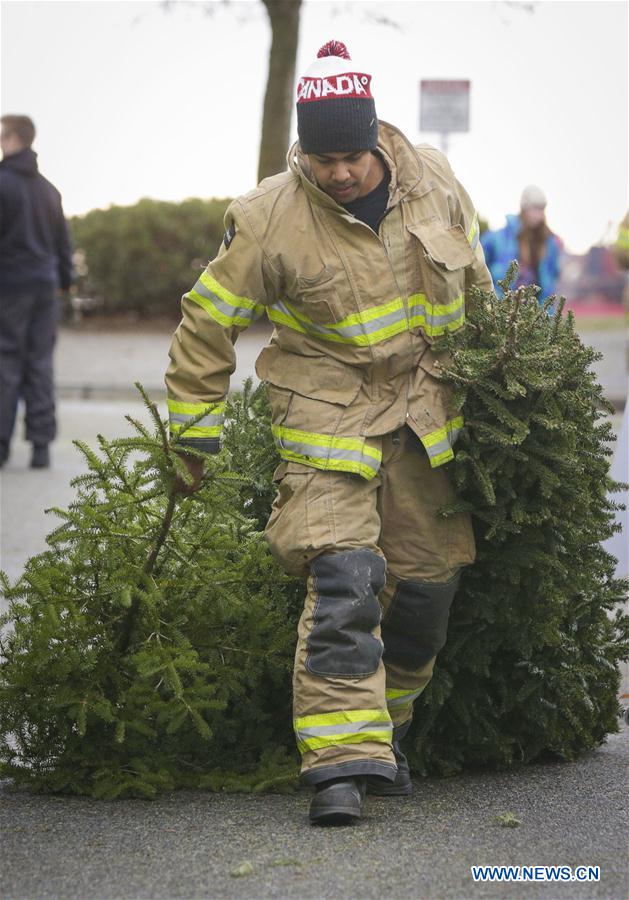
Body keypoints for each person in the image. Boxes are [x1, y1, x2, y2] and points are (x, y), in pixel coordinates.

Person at [165, 40, 493, 826]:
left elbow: (478, 287)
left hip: (426, 417)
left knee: (423, 597)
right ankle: (338, 767)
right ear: (302, 152)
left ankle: (386, 730)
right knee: (345, 581)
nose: (338, 173)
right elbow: (206, 322)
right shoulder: (267, 215)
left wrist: (505, 395)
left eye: (350, 156)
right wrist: (192, 432)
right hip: (325, 419)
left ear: (376, 137)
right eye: (321, 158)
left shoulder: (435, 182)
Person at [0, 114, 73, 469]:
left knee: (6, 362)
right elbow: (63, 245)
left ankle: (1, 446)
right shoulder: (49, 190)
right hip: (45, 286)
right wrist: (65, 282)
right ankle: (41, 447)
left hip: (9, 286)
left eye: (2, 135)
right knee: (40, 363)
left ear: (15, 139)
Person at [480, 184, 562, 303]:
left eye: (540, 209)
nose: (537, 214)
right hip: (502, 307)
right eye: (534, 208)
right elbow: (479, 265)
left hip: (536, 309)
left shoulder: (550, 243)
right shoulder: (497, 239)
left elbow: (552, 278)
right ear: (524, 208)